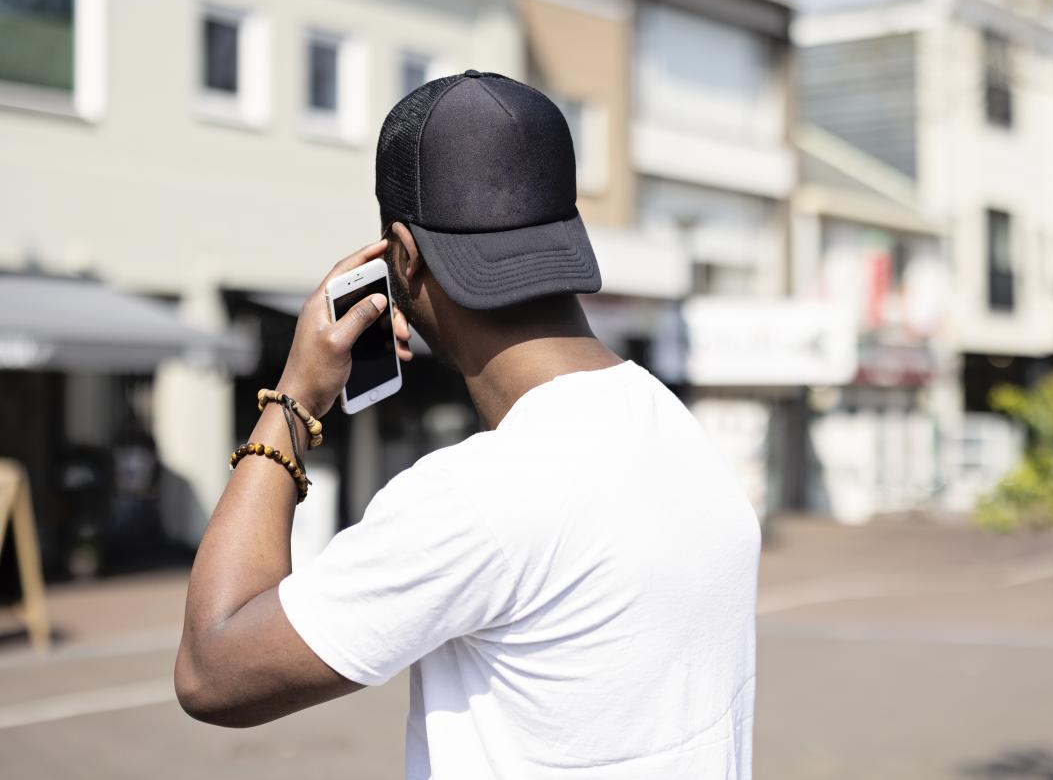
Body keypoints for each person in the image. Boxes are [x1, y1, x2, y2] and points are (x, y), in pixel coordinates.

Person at [175, 71, 761, 779]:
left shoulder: (478, 499)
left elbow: (212, 668)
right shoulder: (673, 428)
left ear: (403, 255)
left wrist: (291, 402)